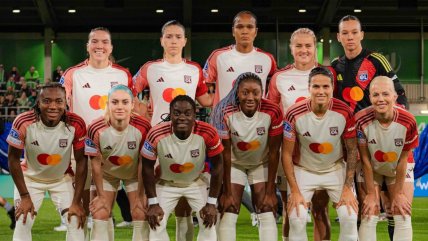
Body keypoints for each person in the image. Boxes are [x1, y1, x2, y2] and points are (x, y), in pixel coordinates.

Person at [133, 20, 212, 241]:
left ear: (185, 41)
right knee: (156, 197)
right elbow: (130, 89)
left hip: (188, 140)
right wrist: (140, 113)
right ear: (161, 40)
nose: (174, 41)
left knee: (184, 203)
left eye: (178, 37)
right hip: (159, 140)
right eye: (169, 36)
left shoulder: (194, 69)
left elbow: (205, 99)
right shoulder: (150, 68)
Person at [332, 15, 409, 240]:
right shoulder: (336, 66)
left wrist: (397, 128)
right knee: (362, 202)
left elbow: (400, 94)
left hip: (382, 142)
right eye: (345, 33)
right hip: (354, 144)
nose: (350, 37)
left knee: (390, 202)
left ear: (361, 35)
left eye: (354, 32)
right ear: (338, 37)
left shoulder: (375, 61)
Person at [61, 26, 134, 239]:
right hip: (81, 151)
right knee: (80, 205)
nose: (99, 46)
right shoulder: (73, 74)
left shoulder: (122, 74)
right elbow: (60, 106)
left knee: (103, 208)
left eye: (104, 42)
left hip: (111, 151)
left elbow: (132, 108)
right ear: (87, 46)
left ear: (111, 47)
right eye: (94, 41)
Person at [267, 28, 331, 241]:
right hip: (289, 153)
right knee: (291, 207)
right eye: (299, 46)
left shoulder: (327, 75)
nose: (304, 50)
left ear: (315, 48)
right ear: (291, 48)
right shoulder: (279, 78)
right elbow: (272, 116)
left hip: (322, 154)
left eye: (308, 46)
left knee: (320, 209)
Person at [282, 67, 359, 241]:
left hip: (334, 169)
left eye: (326, 87)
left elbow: (353, 150)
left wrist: (348, 187)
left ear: (332, 88)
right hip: (304, 170)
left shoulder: (345, 112)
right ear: (308, 88)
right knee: (297, 217)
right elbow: (286, 154)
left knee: (349, 216)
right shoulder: (294, 113)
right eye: (316, 86)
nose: (321, 91)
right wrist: (294, 190)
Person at [7, 83, 87, 241]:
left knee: (75, 220)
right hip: (30, 179)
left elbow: (82, 161)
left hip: (61, 179)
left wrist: (77, 201)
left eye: (59, 101)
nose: (53, 106)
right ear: (38, 102)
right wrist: (24, 196)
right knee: (23, 220)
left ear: (66, 102)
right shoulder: (23, 122)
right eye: (47, 101)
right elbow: (13, 159)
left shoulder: (76, 123)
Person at [211, 72, 283, 241]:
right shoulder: (224, 111)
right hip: (234, 164)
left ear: (262, 92)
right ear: (237, 93)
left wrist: (271, 191)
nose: (250, 97)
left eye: (255, 92)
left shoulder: (273, 111)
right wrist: (227, 191)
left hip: (261, 163)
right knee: (229, 208)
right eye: (245, 92)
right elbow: (225, 153)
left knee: (266, 208)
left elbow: (274, 152)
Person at [141, 95, 223, 241]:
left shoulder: (208, 132)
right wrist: (153, 203)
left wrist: (211, 203)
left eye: (187, 113)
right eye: (177, 113)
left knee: (208, 221)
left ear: (195, 114)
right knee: (155, 223)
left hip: (196, 182)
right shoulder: (155, 134)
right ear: (170, 114)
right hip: (166, 183)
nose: (182, 117)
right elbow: (147, 168)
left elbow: (218, 166)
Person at [355, 76, 418, 241]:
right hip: (371, 166)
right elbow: (365, 158)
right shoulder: (360, 120)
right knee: (369, 211)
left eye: (385, 94)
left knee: (402, 211)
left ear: (395, 97)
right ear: (369, 98)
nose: (380, 99)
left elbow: (403, 159)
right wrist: (370, 193)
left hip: (398, 165)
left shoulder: (409, 121)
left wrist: (398, 193)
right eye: (375, 95)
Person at [85, 85, 151, 241]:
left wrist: (141, 195)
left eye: (124, 102)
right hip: (107, 174)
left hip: (135, 174)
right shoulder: (95, 128)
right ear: (108, 104)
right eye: (115, 102)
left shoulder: (144, 127)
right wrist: (100, 196)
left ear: (132, 105)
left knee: (140, 211)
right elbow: (95, 164)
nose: (120, 106)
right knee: (100, 211)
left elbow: (144, 162)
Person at [203, 10, 277, 107]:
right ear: (233, 31)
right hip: (224, 120)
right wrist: (218, 104)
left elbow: (277, 85)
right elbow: (202, 85)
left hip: (256, 120)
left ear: (256, 32)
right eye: (240, 27)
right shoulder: (218, 56)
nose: (245, 31)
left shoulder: (267, 59)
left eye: (250, 27)